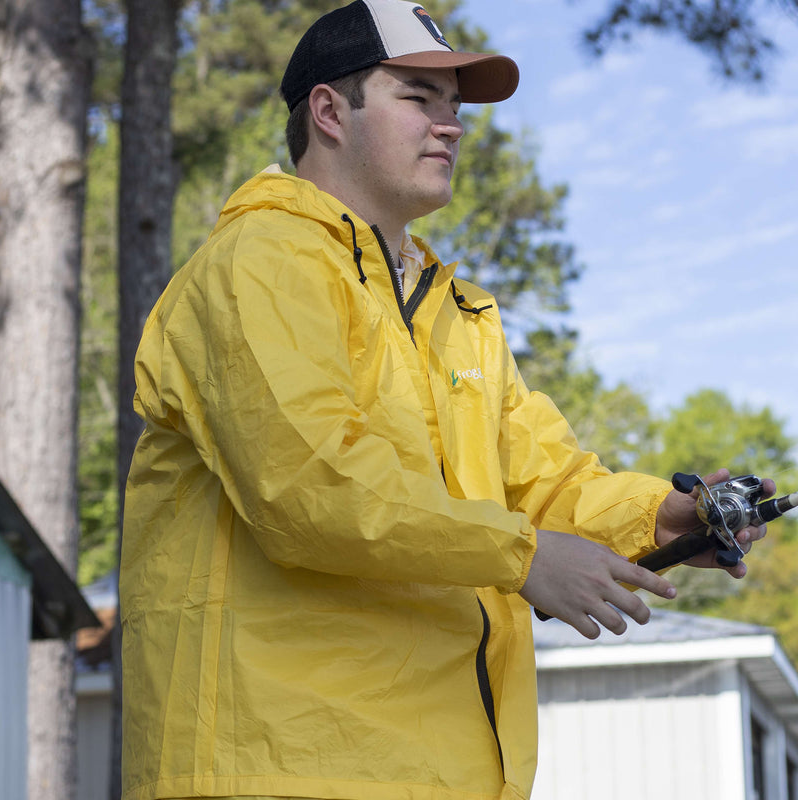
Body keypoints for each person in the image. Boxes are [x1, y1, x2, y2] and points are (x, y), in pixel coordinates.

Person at [119, 2, 771, 799]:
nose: (451, 125)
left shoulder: (459, 314)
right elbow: (312, 484)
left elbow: (547, 484)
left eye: (455, 105)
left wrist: (661, 519)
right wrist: (523, 557)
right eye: (418, 96)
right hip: (275, 768)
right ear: (329, 111)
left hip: (439, 772)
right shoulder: (260, 263)